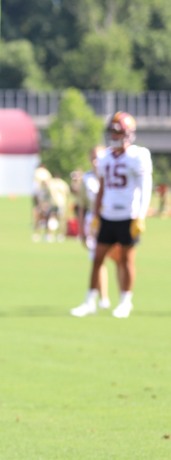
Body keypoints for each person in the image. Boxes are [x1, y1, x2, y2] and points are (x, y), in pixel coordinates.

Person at [71, 113, 152, 318]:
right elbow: (102, 189)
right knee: (97, 258)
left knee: (126, 260)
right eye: (112, 132)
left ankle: (125, 301)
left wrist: (140, 215)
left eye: (117, 132)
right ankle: (90, 301)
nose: (113, 136)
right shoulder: (105, 157)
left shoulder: (138, 155)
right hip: (108, 215)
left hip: (128, 214)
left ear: (127, 134)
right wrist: (96, 215)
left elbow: (145, 187)